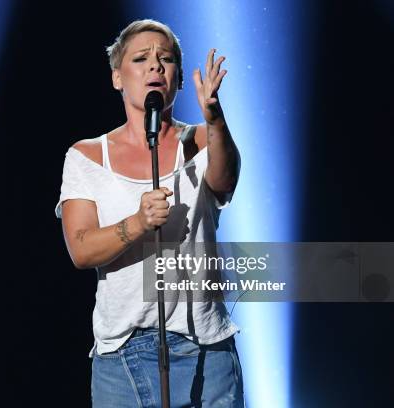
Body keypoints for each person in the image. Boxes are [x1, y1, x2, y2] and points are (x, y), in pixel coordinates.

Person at [55, 19, 244, 407]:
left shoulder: (202, 140)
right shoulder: (86, 157)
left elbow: (225, 182)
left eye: (167, 59)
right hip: (122, 356)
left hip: (205, 349)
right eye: (141, 58)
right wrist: (138, 223)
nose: (155, 66)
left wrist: (215, 118)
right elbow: (81, 249)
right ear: (117, 79)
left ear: (176, 80)